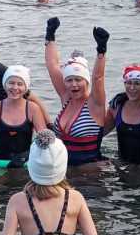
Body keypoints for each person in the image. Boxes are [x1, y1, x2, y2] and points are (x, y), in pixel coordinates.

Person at [44, 17, 108, 166]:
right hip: (63, 168)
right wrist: (50, 36)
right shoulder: (66, 97)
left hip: (90, 172)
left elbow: (98, 77)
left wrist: (101, 50)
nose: (74, 85)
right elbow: (52, 65)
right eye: (69, 80)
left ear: (86, 81)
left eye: (78, 80)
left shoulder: (95, 103)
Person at [0, 65, 47, 165]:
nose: (15, 87)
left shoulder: (33, 109)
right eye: (11, 83)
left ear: (26, 87)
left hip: (24, 163)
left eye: (20, 84)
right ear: (4, 84)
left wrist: (26, 155)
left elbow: (44, 141)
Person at [103, 62, 140, 164]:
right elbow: (100, 133)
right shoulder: (117, 106)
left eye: (137, 83)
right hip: (122, 165)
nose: (132, 87)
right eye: (129, 83)